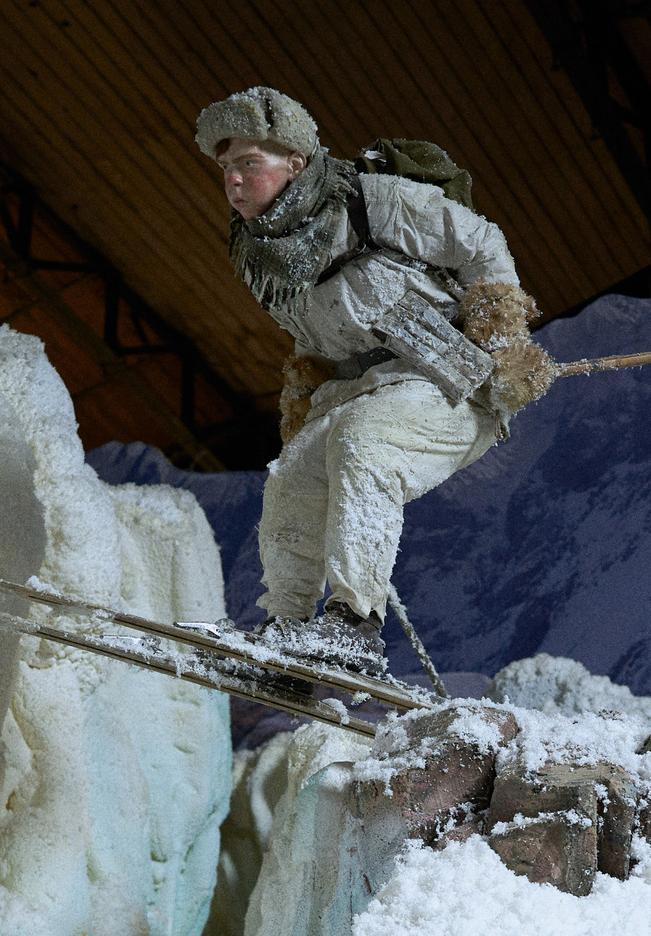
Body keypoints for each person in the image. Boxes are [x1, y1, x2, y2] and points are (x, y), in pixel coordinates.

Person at [196, 86, 554, 678]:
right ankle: (285, 632)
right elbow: (317, 334)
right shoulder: (262, 255)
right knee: (292, 479)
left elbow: (482, 242)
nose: (233, 181)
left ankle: (353, 625)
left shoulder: (375, 203)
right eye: (227, 168)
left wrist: (503, 341)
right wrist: (304, 393)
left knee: (363, 445)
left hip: (449, 380)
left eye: (249, 164)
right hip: (364, 388)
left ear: (297, 162)